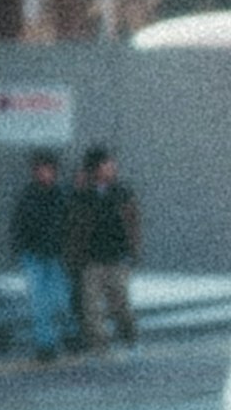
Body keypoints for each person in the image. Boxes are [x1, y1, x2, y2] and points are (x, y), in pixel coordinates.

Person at [9, 141, 78, 359]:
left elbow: (73, 225)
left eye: (47, 169)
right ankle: (45, 345)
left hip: (57, 255)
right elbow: (18, 224)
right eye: (39, 169)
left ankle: (71, 334)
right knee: (39, 302)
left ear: (54, 171)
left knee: (61, 299)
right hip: (34, 254)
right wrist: (19, 247)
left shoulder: (63, 195)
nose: (43, 173)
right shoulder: (28, 195)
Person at [74, 143, 143, 353]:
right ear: (95, 169)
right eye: (107, 164)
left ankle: (130, 338)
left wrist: (134, 252)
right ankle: (99, 345)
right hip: (91, 259)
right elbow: (74, 226)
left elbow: (133, 224)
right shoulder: (83, 194)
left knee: (121, 306)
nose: (112, 167)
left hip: (117, 258)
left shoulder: (123, 192)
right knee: (92, 308)